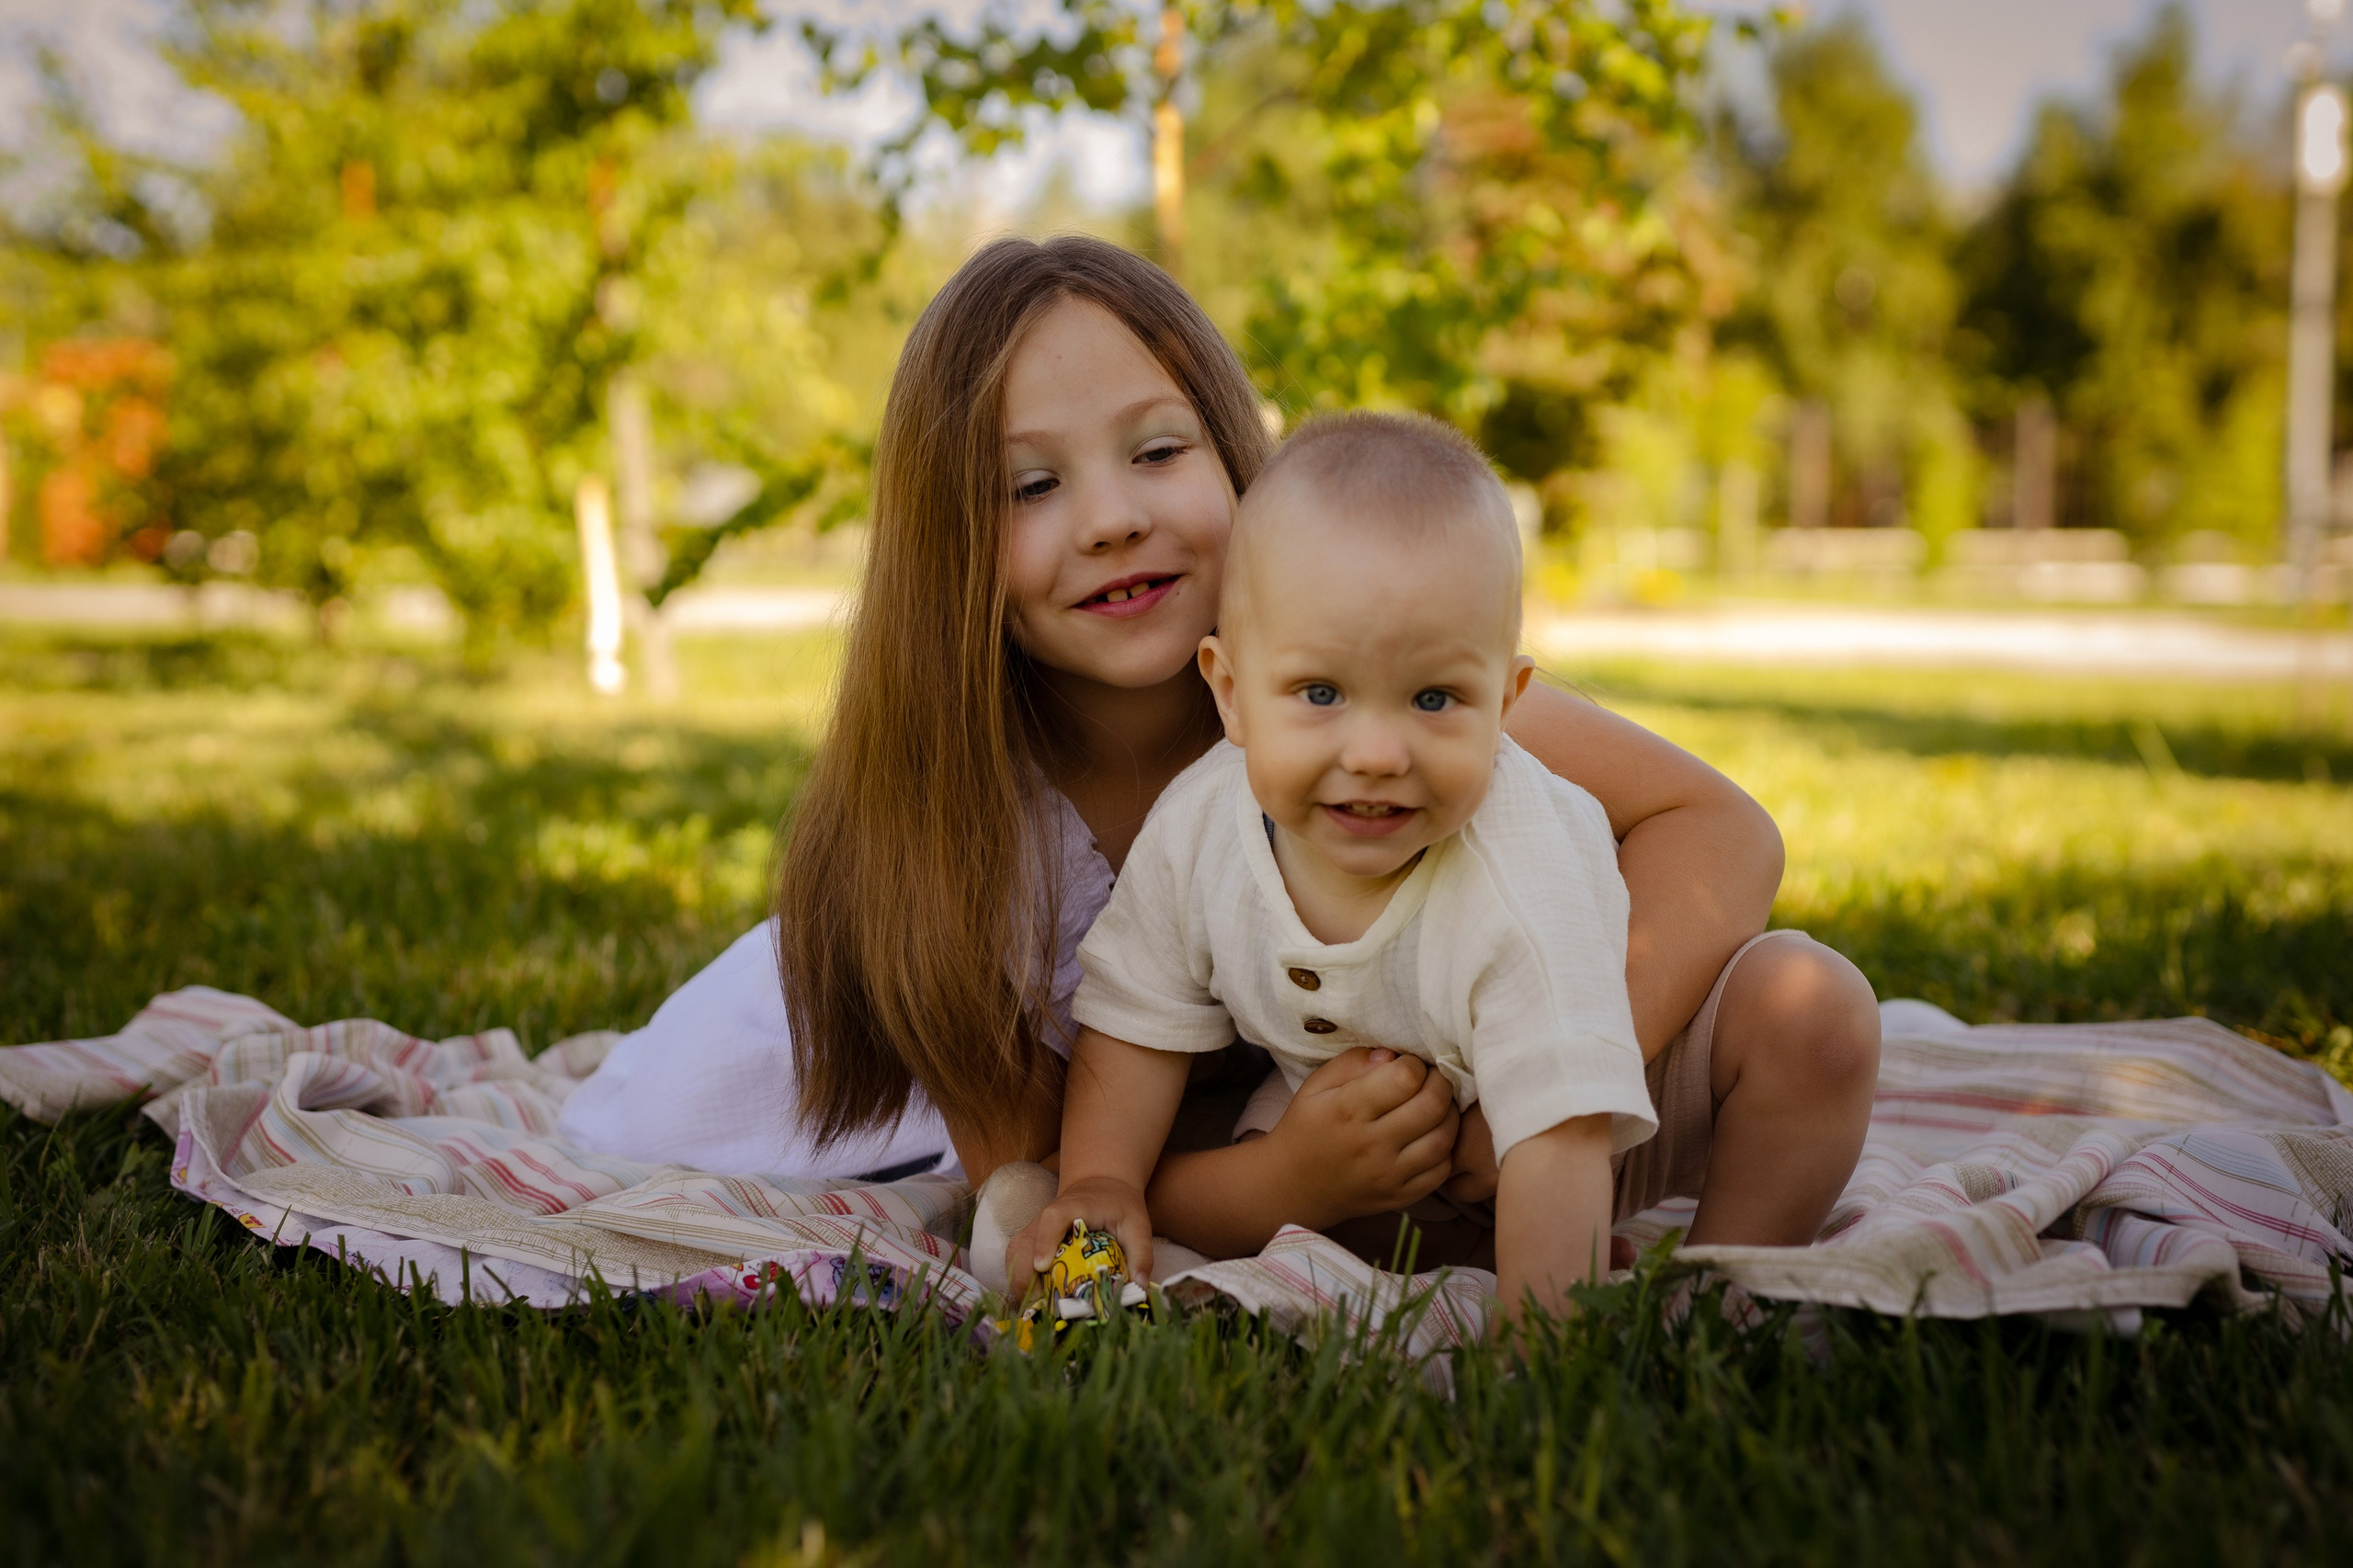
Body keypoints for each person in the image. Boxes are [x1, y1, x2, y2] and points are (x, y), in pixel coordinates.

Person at [555, 234, 1881, 1273]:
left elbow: (1724, 829)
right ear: (948, 548)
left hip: (1479, 1103)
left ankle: (1732, 1303)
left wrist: (1555, 1077)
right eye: (1032, 484)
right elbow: (1058, 1186)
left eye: (1157, 449)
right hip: (1283, 1140)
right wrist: (1288, 1180)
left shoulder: (1387, 705)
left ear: (1237, 457)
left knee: (1804, 1002)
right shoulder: (946, 848)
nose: (1112, 518)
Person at [1011, 411, 1658, 1323]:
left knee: (1806, 1019)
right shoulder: (1201, 827)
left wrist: (1540, 1346)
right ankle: (1470, 1244)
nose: (1377, 754)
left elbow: (1566, 1131)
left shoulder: (1521, 866)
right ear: (1230, 692)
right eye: (1321, 693)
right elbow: (1134, 1016)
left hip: (1625, 1108)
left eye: (1435, 698)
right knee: (1284, 1174)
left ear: (1506, 704)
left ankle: (1734, 1277)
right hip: (1380, 1127)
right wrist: (1100, 1178)